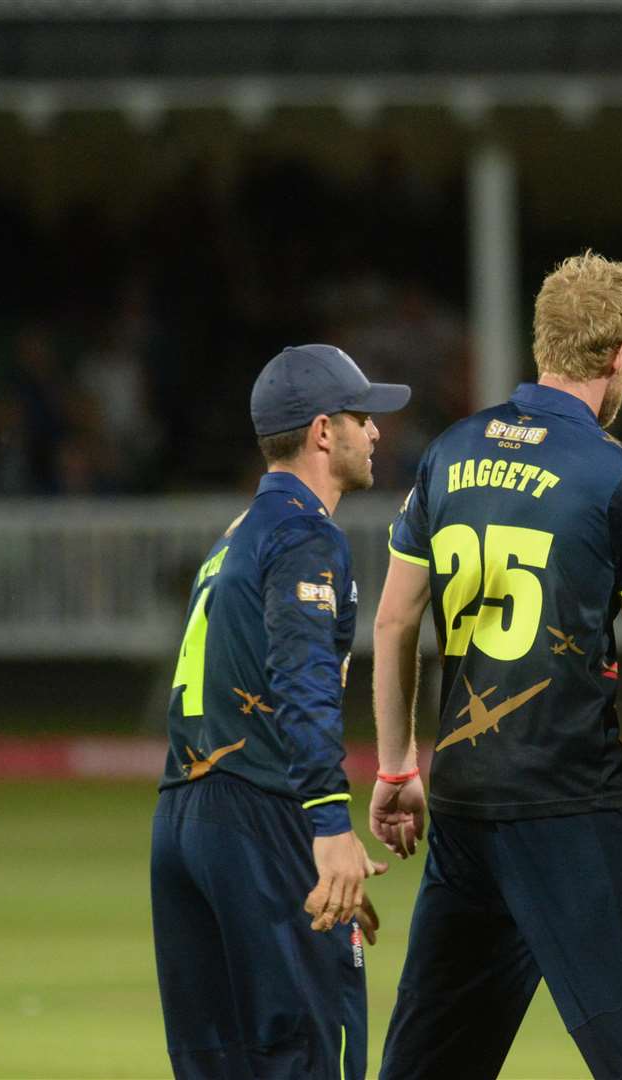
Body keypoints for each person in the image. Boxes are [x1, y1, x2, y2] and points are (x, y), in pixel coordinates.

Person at [368, 251, 622, 1080]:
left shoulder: (449, 452)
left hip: (464, 799)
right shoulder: (621, 480)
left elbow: (393, 620)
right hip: (569, 805)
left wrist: (394, 764)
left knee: (432, 1061)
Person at [150, 344, 407, 1078]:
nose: (377, 433)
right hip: (261, 816)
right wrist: (327, 824)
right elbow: (303, 678)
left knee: (218, 1062)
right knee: (311, 1055)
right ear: (324, 432)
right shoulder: (302, 532)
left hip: (183, 817)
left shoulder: (237, 534)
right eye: (363, 417)